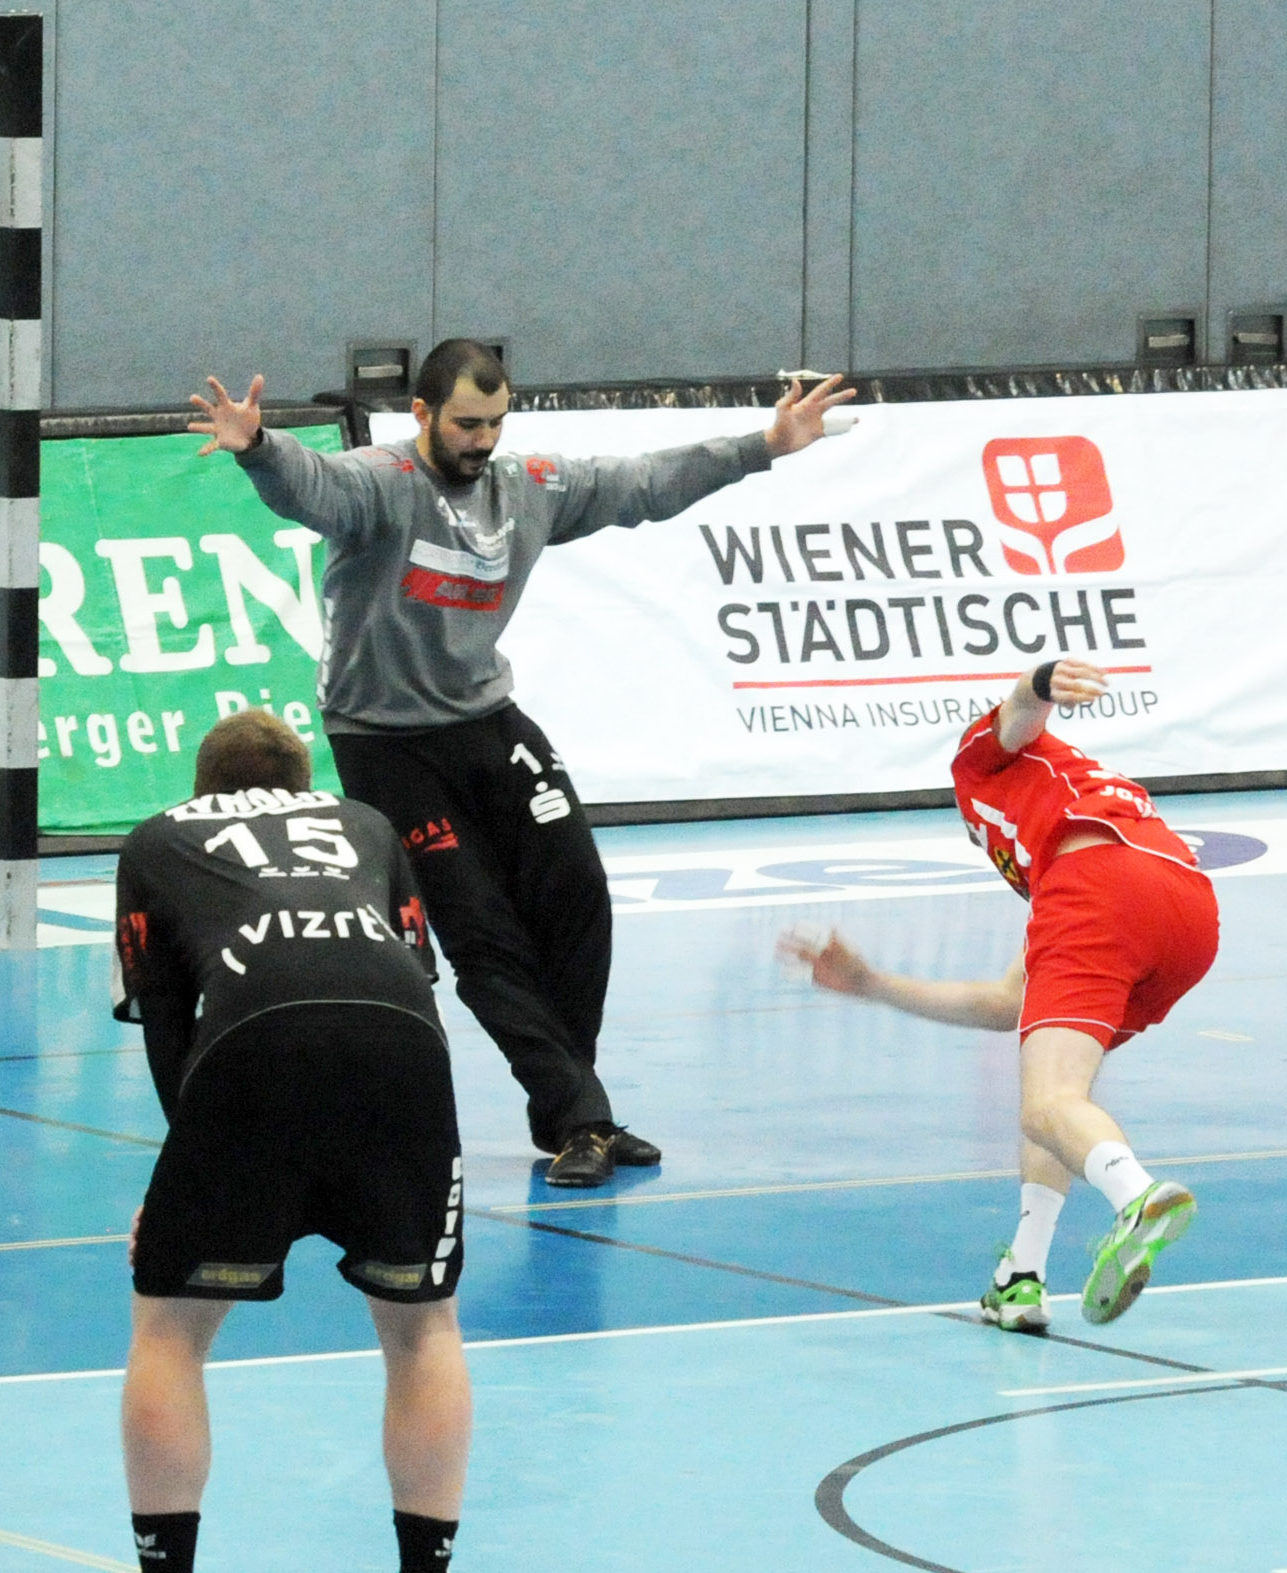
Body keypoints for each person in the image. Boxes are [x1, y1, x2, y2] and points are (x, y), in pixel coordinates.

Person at [190, 343, 856, 1185]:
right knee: (482, 933)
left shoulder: (528, 486)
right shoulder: (381, 483)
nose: (483, 441)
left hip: (486, 718)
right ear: (422, 414)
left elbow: (643, 483)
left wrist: (764, 445)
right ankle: (582, 1116)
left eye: (496, 423)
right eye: (466, 424)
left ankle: (570, 1107)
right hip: (386, 741)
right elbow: (311, 486)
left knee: (578, 896)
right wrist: (258, 448)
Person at [78, 710, 475, 1573]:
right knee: (422, 1324)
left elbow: (167, 1020)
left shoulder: (159, 838)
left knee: (170, 1326)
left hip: (253, 1041)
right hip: (400, 1043)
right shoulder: (365, 825)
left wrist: (184, 1162)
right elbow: (413, 971)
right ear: (305, 784)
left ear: (203, 788)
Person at [780, 657, 1213, 1331]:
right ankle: (1022, 1276)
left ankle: (1137, 1196)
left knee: (1050, 1103)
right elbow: (1008, 1002)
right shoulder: (1054, 825)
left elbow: (1019, 714)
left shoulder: (978, 766)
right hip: (1186, 909)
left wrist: (1042, 680)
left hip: (1100, 885)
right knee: (1055, 1098)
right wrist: (870, 984)